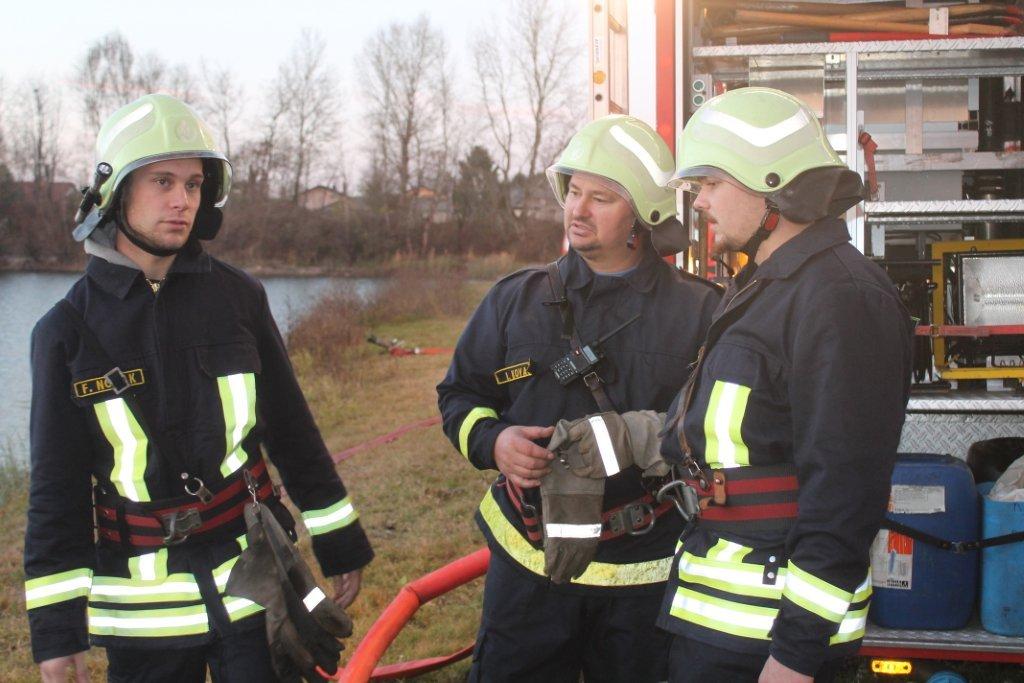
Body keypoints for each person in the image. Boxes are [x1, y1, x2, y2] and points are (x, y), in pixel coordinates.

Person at [550, 87, 911, 682]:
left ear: (769, 183)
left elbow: (844, 495)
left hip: (771, 640)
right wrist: (635, 438)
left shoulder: (841, 300)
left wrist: (796, 656)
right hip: (722, 624)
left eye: (711, 185)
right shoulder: (770, 289)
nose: (699, 204)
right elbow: (739, 432)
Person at [24, 93, 373, 682]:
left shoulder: (238, 299)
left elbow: (290, 430)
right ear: (115, 191)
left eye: (193, 184)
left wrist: (341, 542)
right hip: (145, 616)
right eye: (162, 181)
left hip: (255, 587)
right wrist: (57, 634)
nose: (182, 200)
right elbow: (56, 492)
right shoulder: (64, 334)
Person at [436, 114, 721, 682]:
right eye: (572, 191)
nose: (578, 210)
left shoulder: (700, 313)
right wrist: (495, 442)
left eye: (602, 197)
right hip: (529, 572)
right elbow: (459, 395)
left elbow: (718, 429)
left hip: (647, 575)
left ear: (640, 212)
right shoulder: (514, 301)